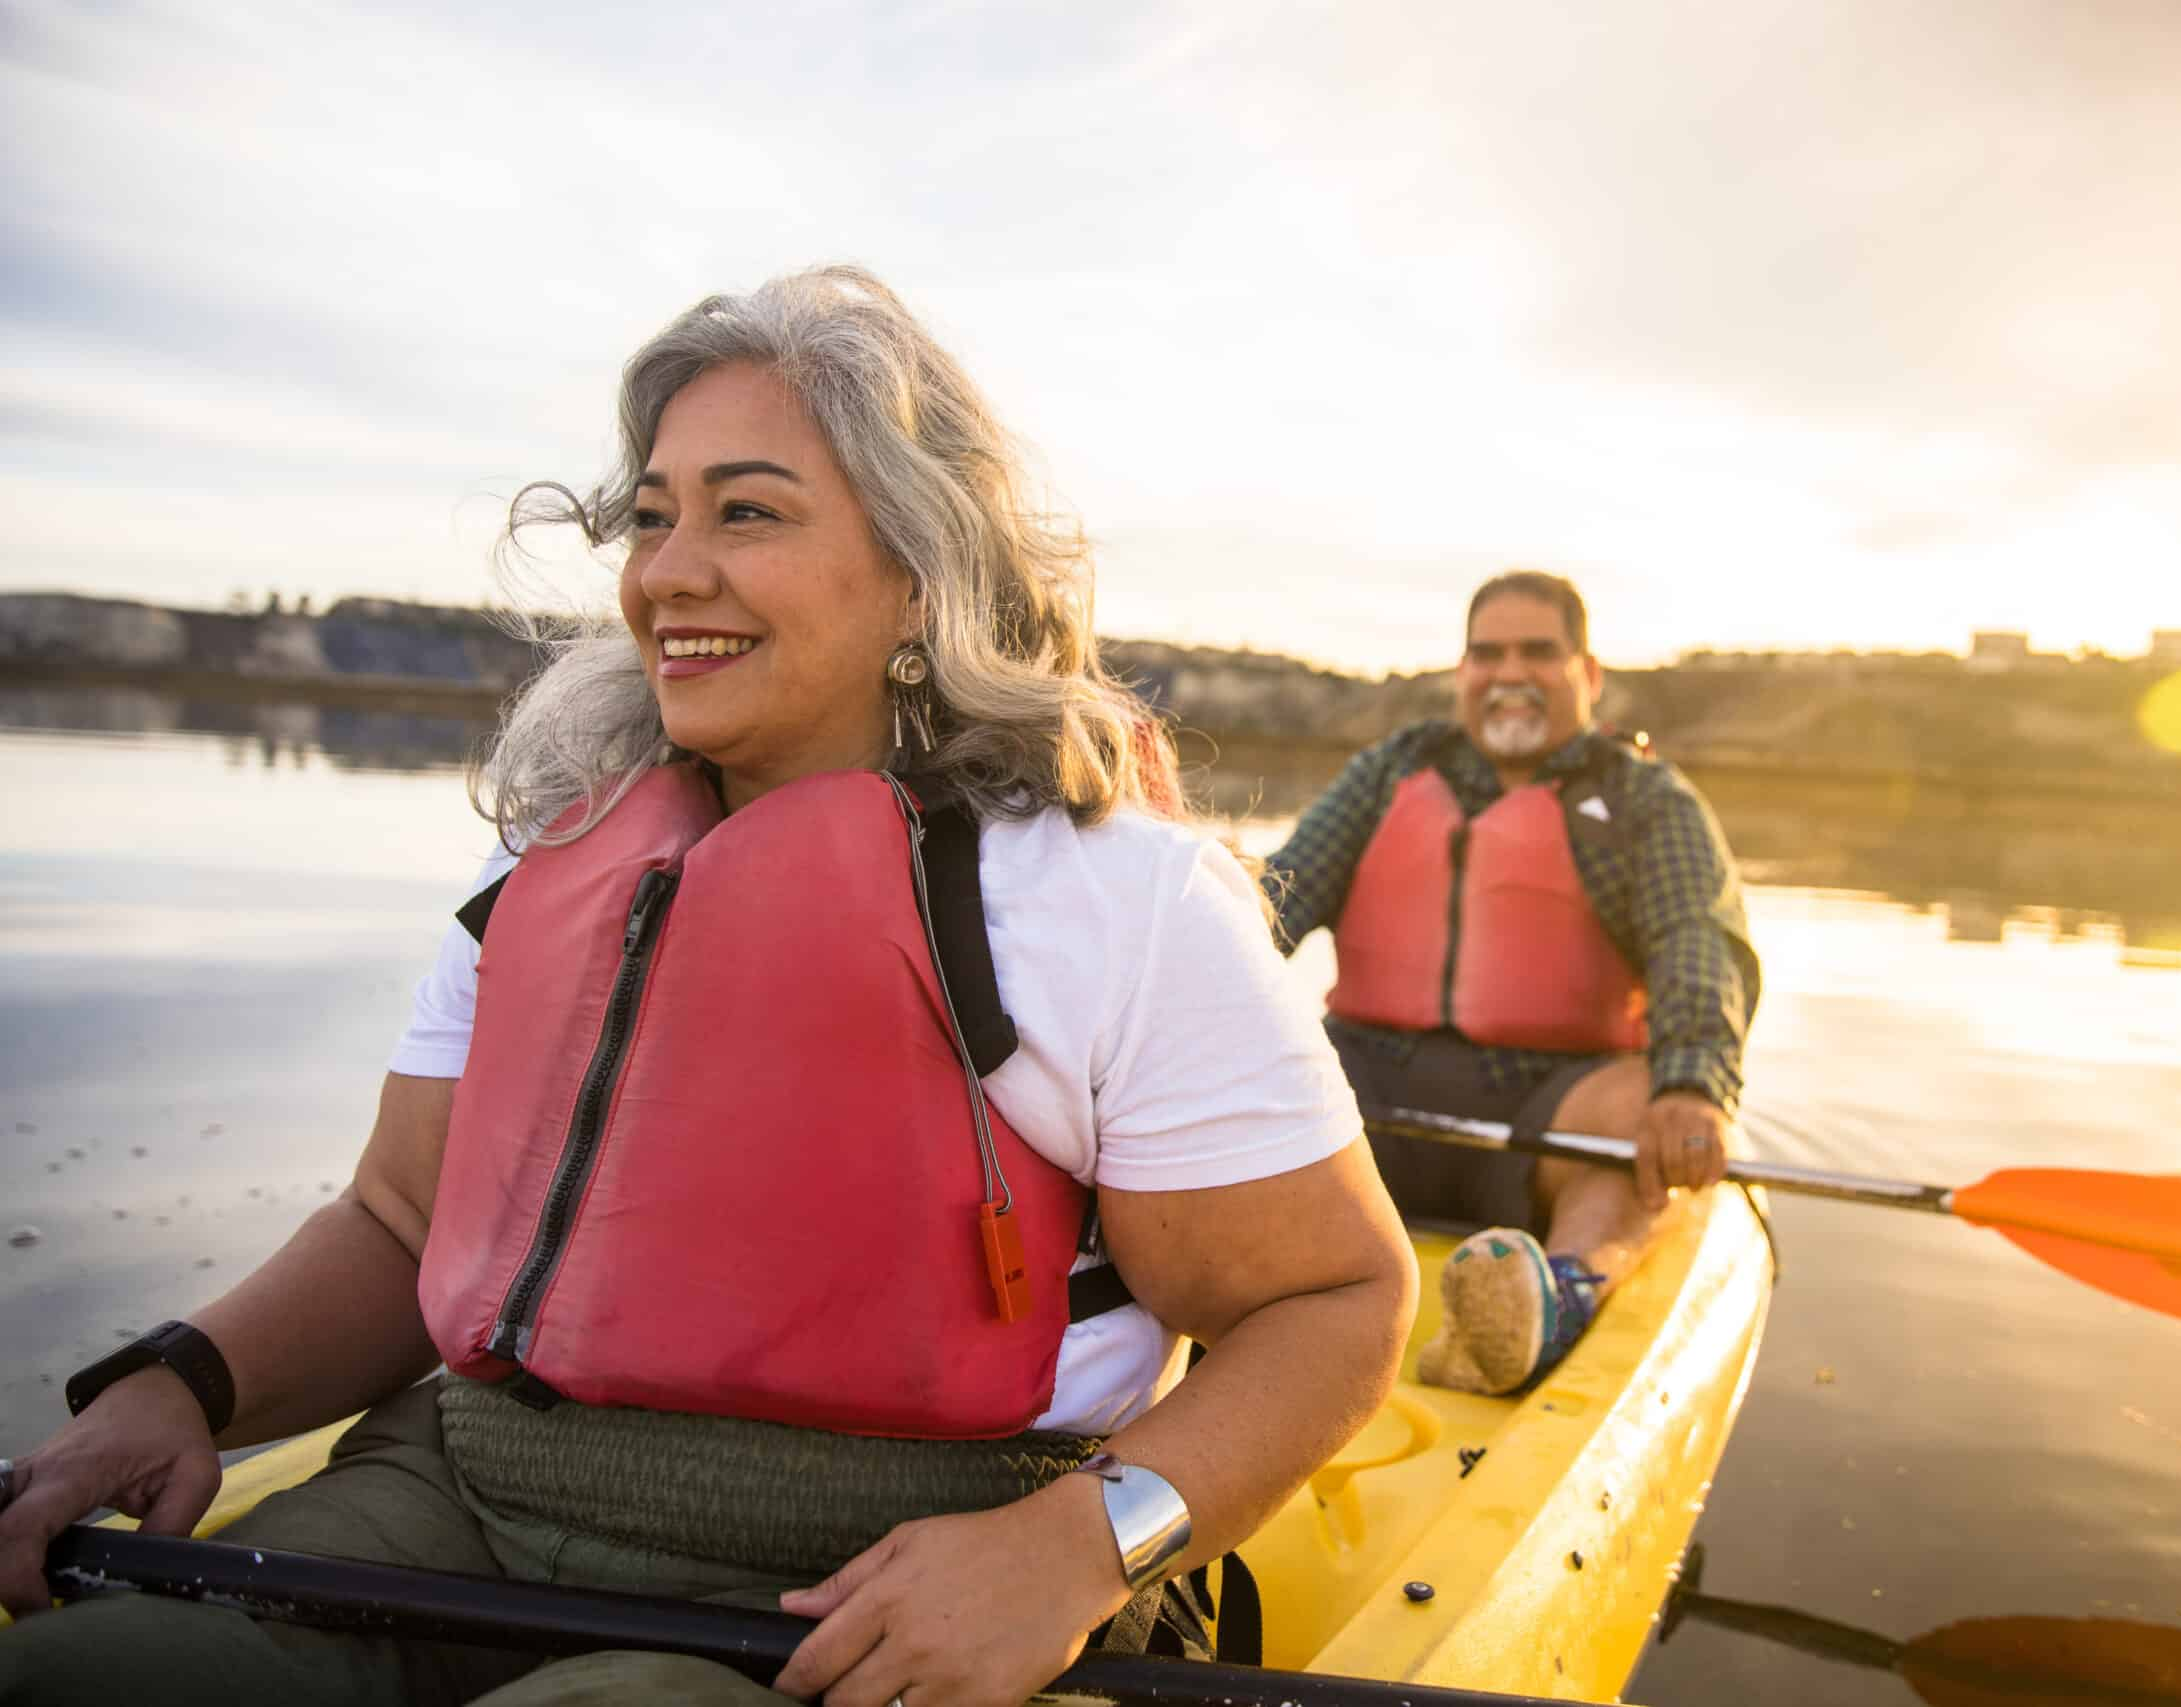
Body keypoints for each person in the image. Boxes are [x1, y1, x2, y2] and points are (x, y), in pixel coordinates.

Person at [0, 266, 1417, 1707]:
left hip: (875, 1579)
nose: (666, 571)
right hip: (461, 1505)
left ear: (921, 568)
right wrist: (184, 1380)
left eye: (747, 511)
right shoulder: (552, 863)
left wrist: (1077, 1546)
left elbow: (1335, 1298)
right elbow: (399, 1218)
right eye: (653, 515)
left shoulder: (1114, 897)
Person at [1259, 570, 1757, 1396]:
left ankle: (1557, 1292)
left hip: (1547, 1109)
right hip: (1365, 1097)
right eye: (1487, 654)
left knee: (1640, 1108)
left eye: (1539, 651)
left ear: (1587, 675)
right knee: (1242, 1061)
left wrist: (1695, 1083)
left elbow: (1695, 935)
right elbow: (1278, 900)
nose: (1510, 673)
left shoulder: (1643, 800)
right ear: (1463, 673)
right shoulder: (1392, 771)